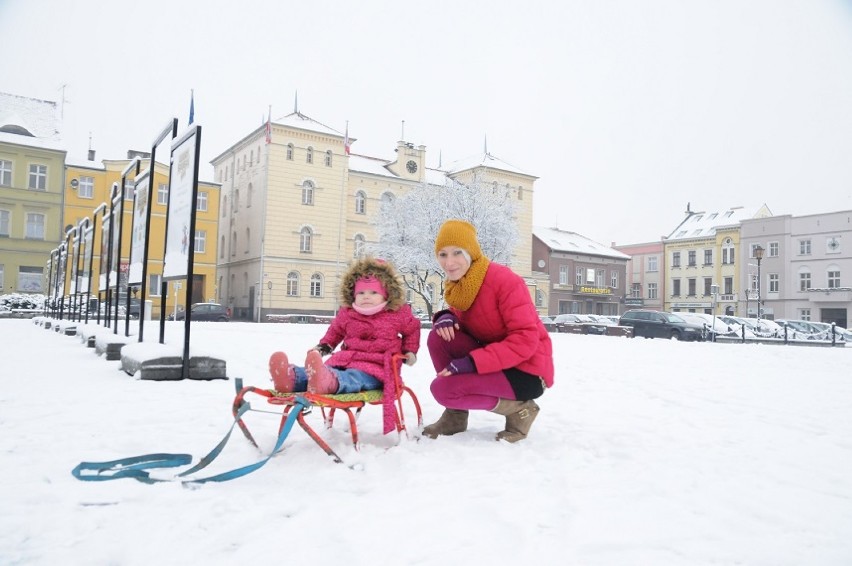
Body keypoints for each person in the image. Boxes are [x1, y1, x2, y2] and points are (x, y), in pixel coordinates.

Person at [423, 219, 554, 443]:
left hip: (527, 371)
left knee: (443, 390)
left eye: (457, 253)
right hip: (496, 359)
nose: (449, 262)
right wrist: (447, 317)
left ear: (471, 253)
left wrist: (471, 362)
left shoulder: (504, 281)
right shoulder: (462, 285)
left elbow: (525, 340)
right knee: (438, 337)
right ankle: (455, 416)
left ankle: (520, 409)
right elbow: (468, 322)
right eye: (442, 254)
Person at [268, 257, 421, 434]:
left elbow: (412, 328)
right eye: (361, 293)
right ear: (353, 294)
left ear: (386, 294)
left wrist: (410, 351)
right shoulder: (348, 313)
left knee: (353, 378)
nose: (366, 297)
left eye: (373, 293)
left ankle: (327, 382)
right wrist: (324, 346)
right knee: (324, 371)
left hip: (377, 368)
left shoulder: (397, 314)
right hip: (345, 361)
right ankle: (291, 377)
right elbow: (335, 331)